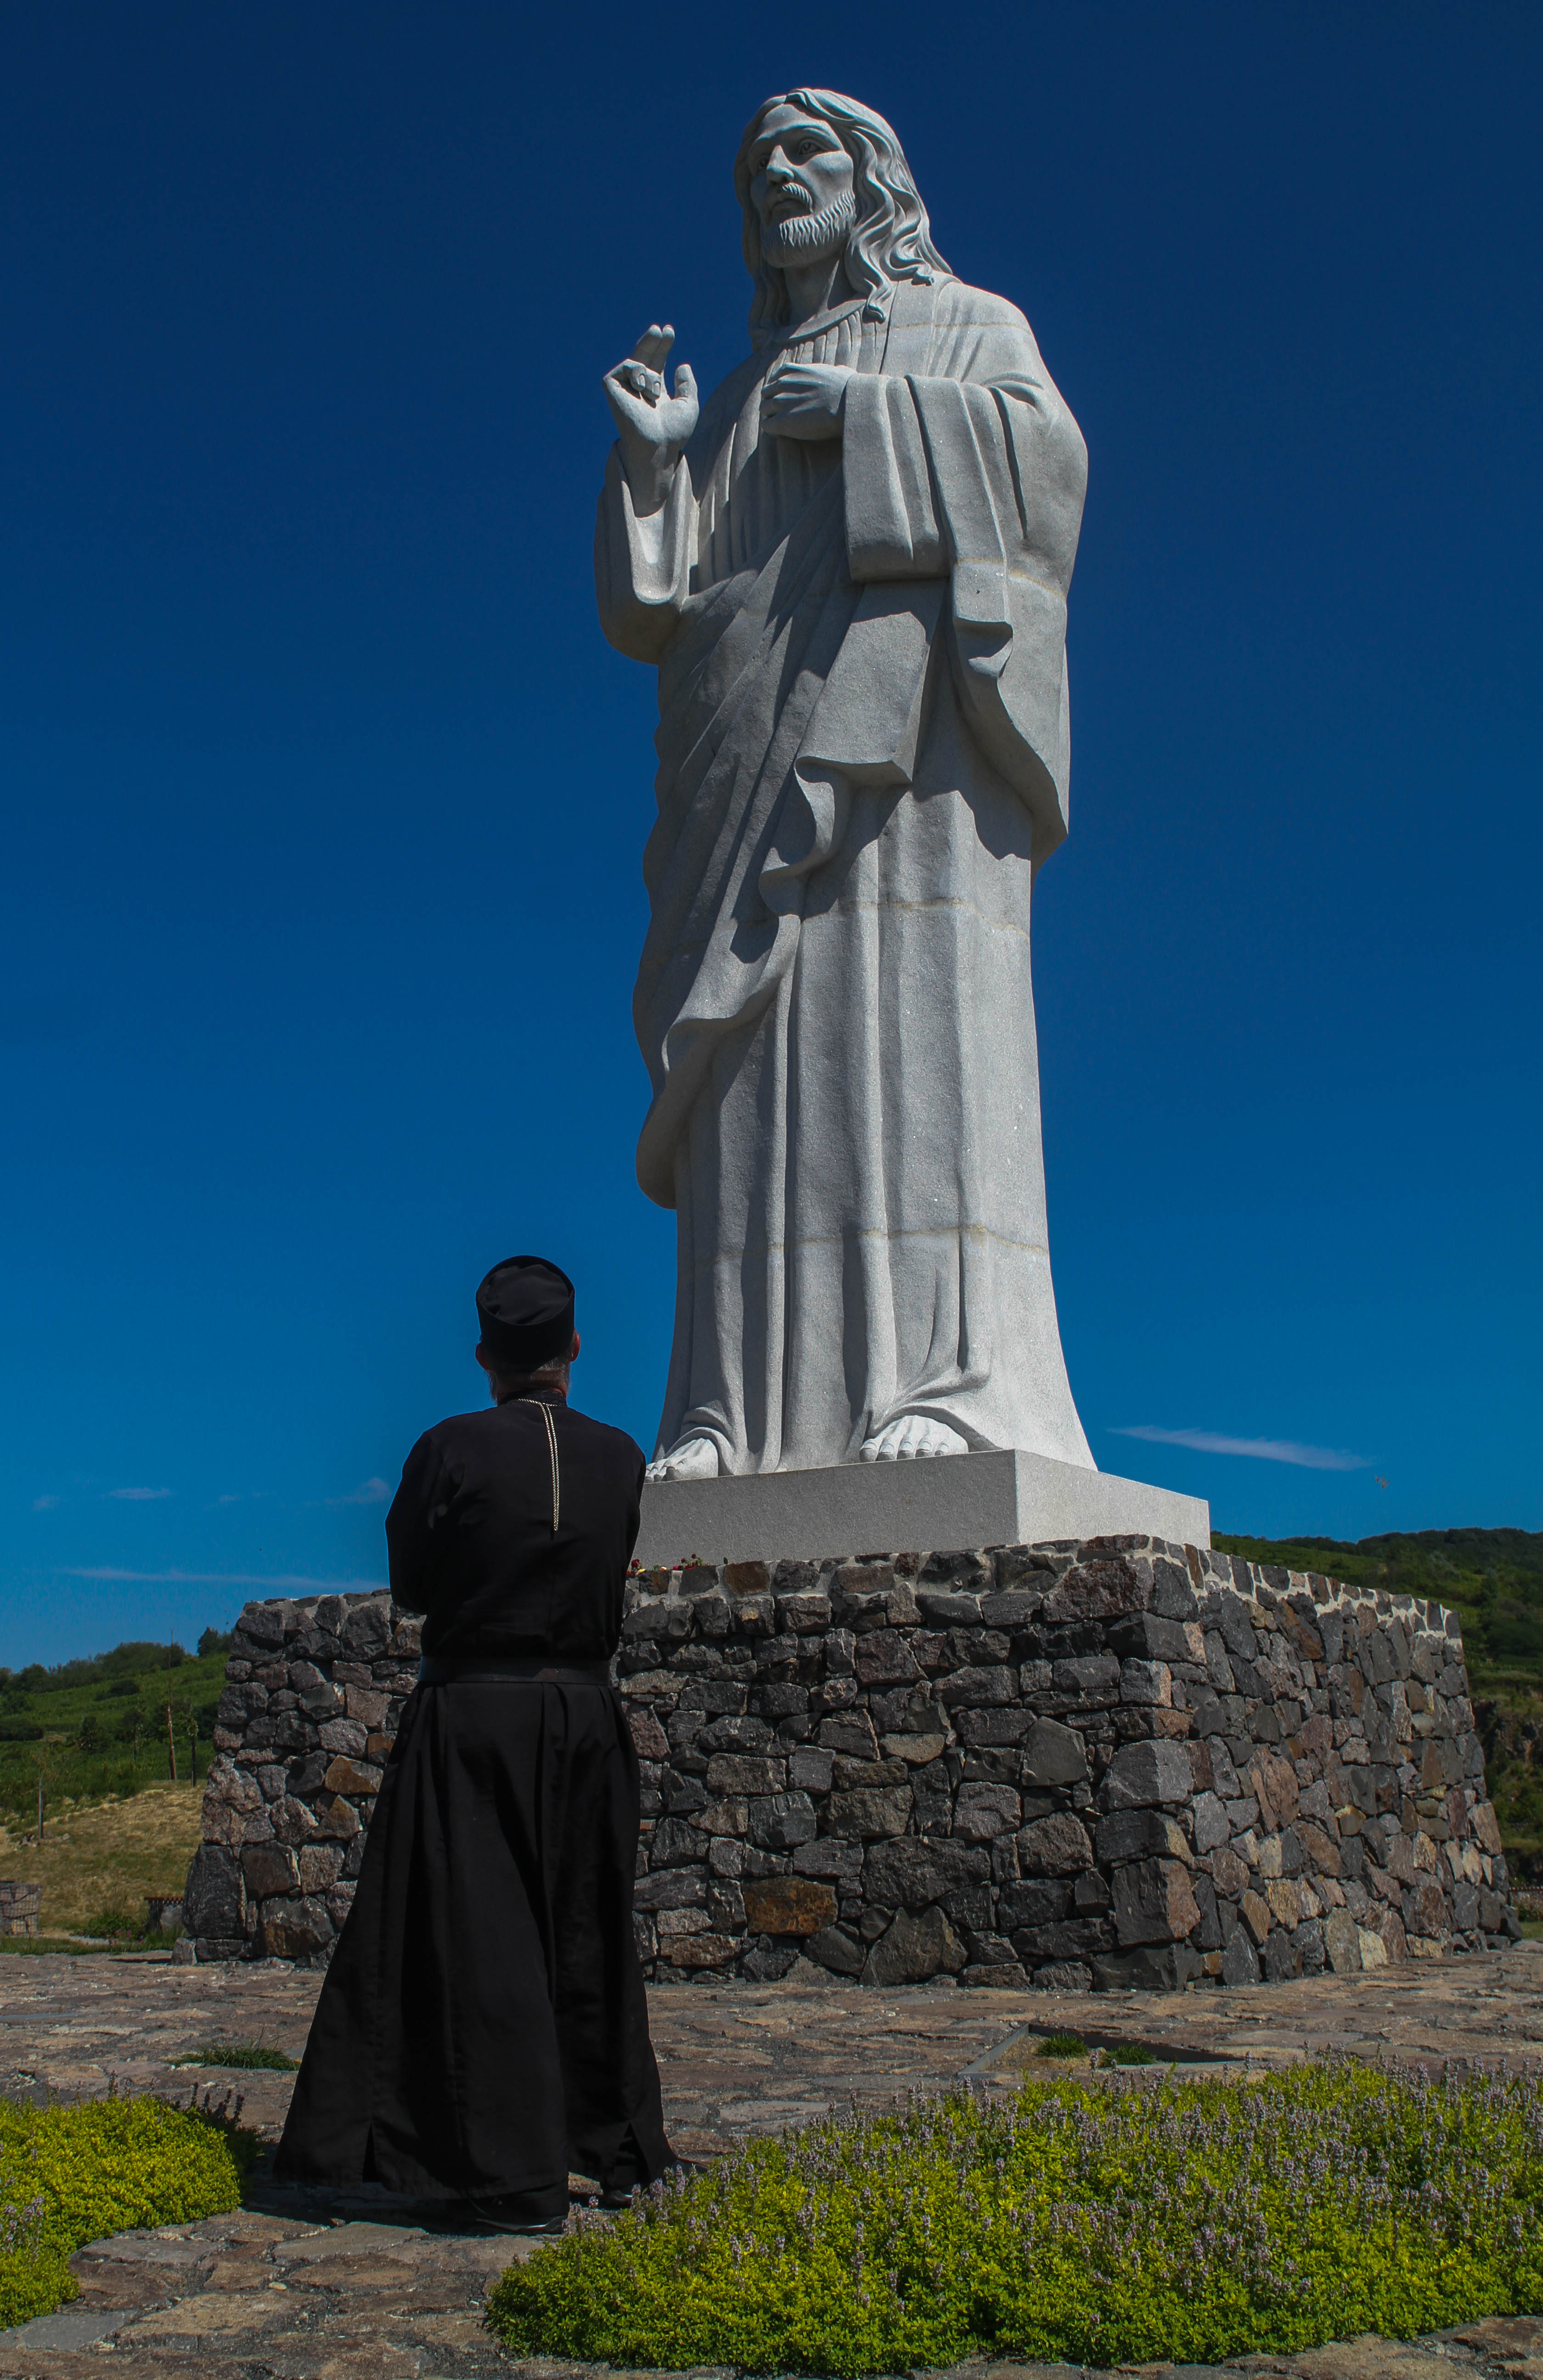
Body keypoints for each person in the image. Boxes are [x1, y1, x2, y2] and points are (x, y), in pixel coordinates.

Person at [596, 89, 1095, 1483]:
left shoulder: (969, 324)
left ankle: (951, 1383)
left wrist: (875, 416)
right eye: (756, 161)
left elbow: (1049, 484)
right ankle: (728, 1413)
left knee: (912, 1040)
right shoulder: (735, 396)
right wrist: (654, 466)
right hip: (741, 754)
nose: (777, 175)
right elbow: (662, 614)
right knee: (749, 1065)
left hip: (907, 744)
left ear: (873, 178)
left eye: (806, 150)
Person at [275, 1255, 675, 2233]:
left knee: (483, 1937)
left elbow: (414, 1585)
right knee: (588, 1929)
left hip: (472, 1713)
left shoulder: (447, 1449)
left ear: (484, 1355)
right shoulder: (622, 1457)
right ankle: (618, 2150)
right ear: (574, 1346)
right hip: (586, 1714)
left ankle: (510, 2174)